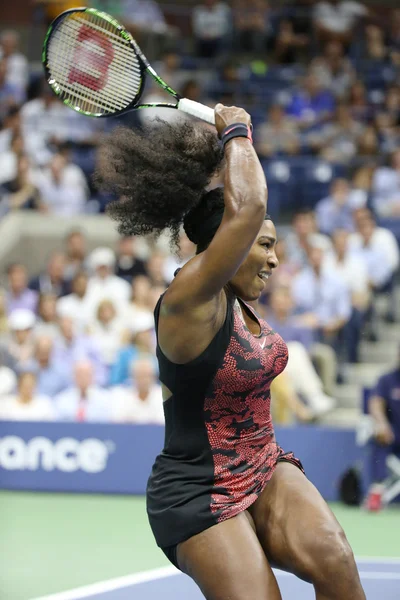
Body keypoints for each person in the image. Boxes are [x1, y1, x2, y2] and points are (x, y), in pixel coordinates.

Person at [98, 106, 365, 598]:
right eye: (262, 244)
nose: (275, 258)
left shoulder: (242, 305)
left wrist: (231, 156)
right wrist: (237, 131)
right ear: (227, 243)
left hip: (263, 465)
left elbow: (244, 211)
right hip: (195, 491)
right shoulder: (188, 302)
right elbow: (247, 208)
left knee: (337, 563)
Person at [366, 350, 400, 510]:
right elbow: (375, 403)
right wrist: (381, 423)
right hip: (393, 433)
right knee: (379, 437)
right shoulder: (387, 380)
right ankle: (377, 491)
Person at [112, 357, 164, 424]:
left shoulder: (162, 396)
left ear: (153, 377)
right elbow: (117, 422)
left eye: (147, 375)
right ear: (132, 376)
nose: (143, 380)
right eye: (140, 375)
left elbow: (163, 423)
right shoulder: (123, 396)